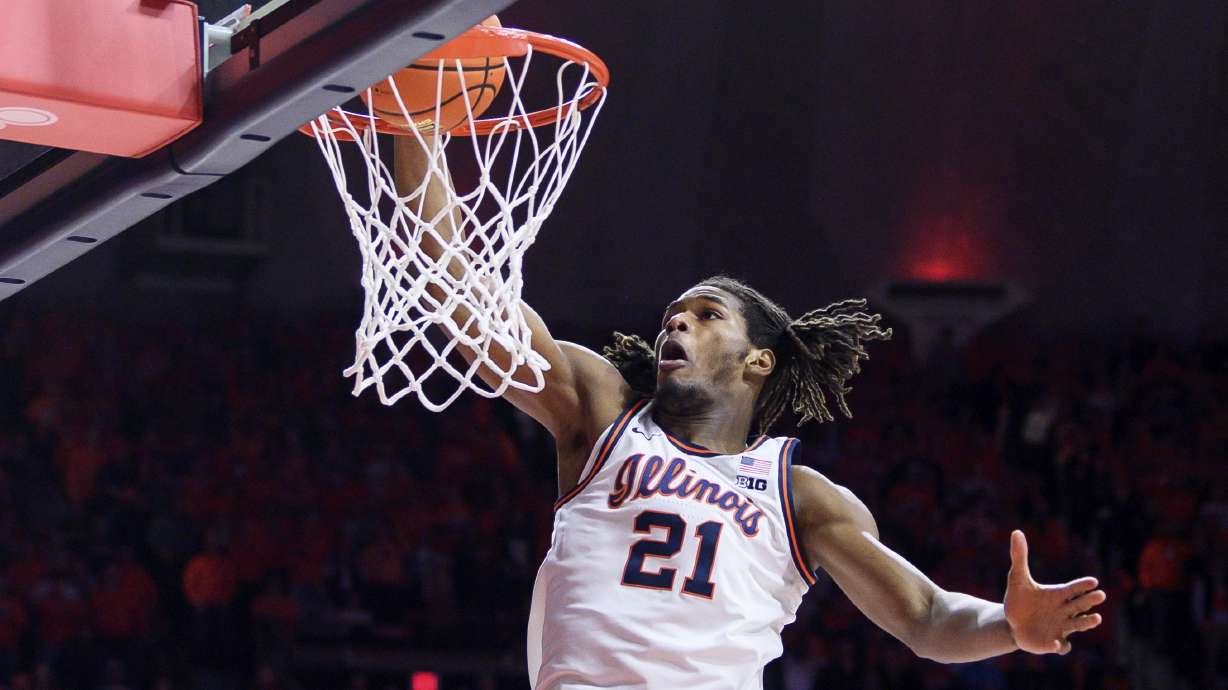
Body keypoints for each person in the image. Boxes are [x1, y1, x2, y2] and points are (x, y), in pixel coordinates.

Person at [392, 135, 1107, 689]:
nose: (675, 325)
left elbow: (924, 617)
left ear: (759, 359)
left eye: (706, 316)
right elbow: (460, 296)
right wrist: (418, 117)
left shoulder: (799, 493)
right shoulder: (602, 410)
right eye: (670, 316)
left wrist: (1008, 627)